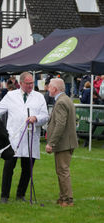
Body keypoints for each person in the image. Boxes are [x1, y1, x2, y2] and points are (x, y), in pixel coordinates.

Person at [0, 72, 49, 203]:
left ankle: (21, 195)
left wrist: (36, 118)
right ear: (20, 83)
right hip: (13, 138)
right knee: (9, 168)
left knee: (27, 169)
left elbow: (45, 116)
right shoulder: (11, 96)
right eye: (28, 83)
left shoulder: (39, 97)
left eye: (32, 83)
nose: (31, 85)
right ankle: (4, 196)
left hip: (31, 137)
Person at [46, 78, 78, 207]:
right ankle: (63, 197)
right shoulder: (66, 99)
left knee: (63, 171)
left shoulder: (60, 102)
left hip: (63, 143)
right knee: (62, 171)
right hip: (67, 142)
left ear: (54, 89)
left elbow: (60, 124)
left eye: (49, 87)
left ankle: (67, 200)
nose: (48, 89)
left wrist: (51, 143)